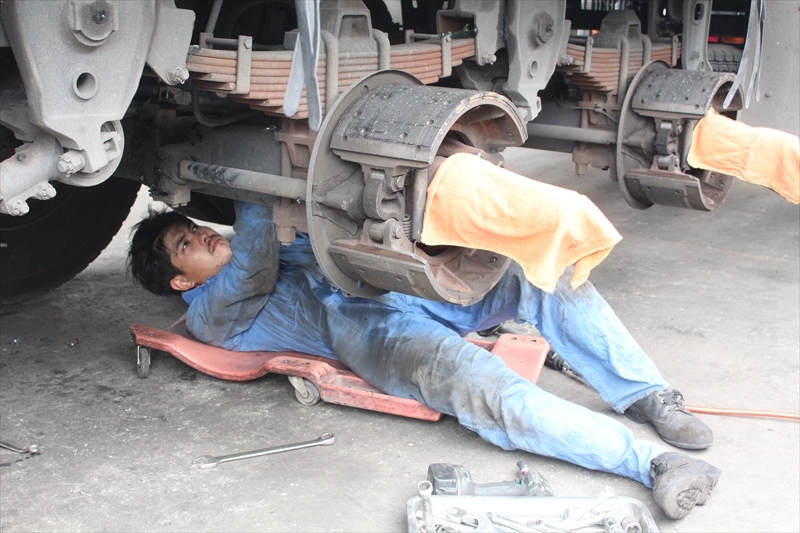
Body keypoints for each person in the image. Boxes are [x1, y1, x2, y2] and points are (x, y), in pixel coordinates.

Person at [128, 199, 720, 521]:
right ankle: (653, 464)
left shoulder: (274, 249)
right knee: (493, 394)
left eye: (195, 226)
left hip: (401, 288)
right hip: (379, 336)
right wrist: (246, 183)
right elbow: (255, 250)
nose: (203, 235)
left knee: (542, 277)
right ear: (181, 283)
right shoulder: (212, 310)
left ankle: (646, 393)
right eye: (185, 244)